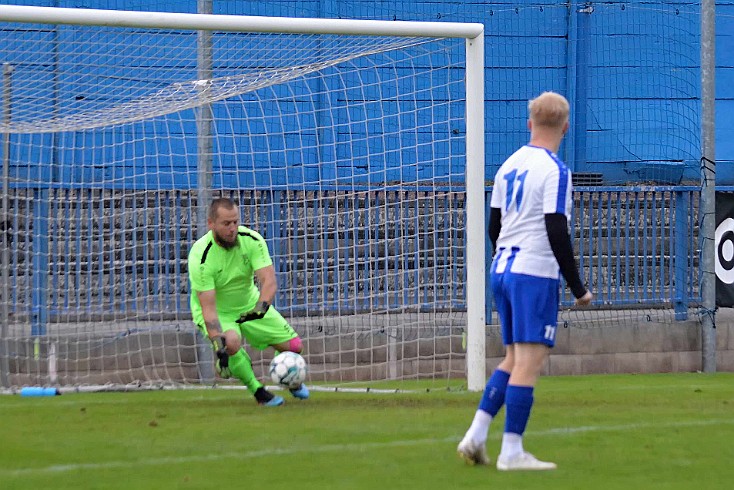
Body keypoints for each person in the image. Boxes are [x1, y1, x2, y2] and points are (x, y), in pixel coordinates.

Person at [457, 92, 593, 470]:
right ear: (566, 127)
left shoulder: (508, 165)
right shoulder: (555, 171)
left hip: (502, 268)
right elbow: (556, 228)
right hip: (533, 273)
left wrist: (505, 256)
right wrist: (577, 287)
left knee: (513, 358)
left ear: (529, 123)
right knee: (529, 362)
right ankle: (512, 452)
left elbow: (494, 226)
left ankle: (475, 436)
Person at [188, 197, 309, 407]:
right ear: (211, 224)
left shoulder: (251, 240)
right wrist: (219, 345)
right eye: (226, 224)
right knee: (231, 342)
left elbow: (268, 281)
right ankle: (258, 391)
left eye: (235, 222)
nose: (232, 228)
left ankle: (291, 378)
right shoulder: (201, 255)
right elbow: (207, 308)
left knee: (295, 346)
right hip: (219, 312)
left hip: (249, 304)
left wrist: (259, 309)